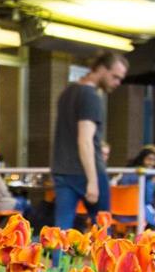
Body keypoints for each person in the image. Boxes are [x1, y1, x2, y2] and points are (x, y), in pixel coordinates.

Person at [50, 53, 128, 230]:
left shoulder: (67, 93)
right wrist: (92, 181)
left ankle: (59, 259)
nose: (117, 83)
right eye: (115, 77)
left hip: (62, 170)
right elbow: (84, 140)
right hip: (87, 171)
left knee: (61, 232)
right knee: (102, 230)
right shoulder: (91, 96)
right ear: (101, 68)